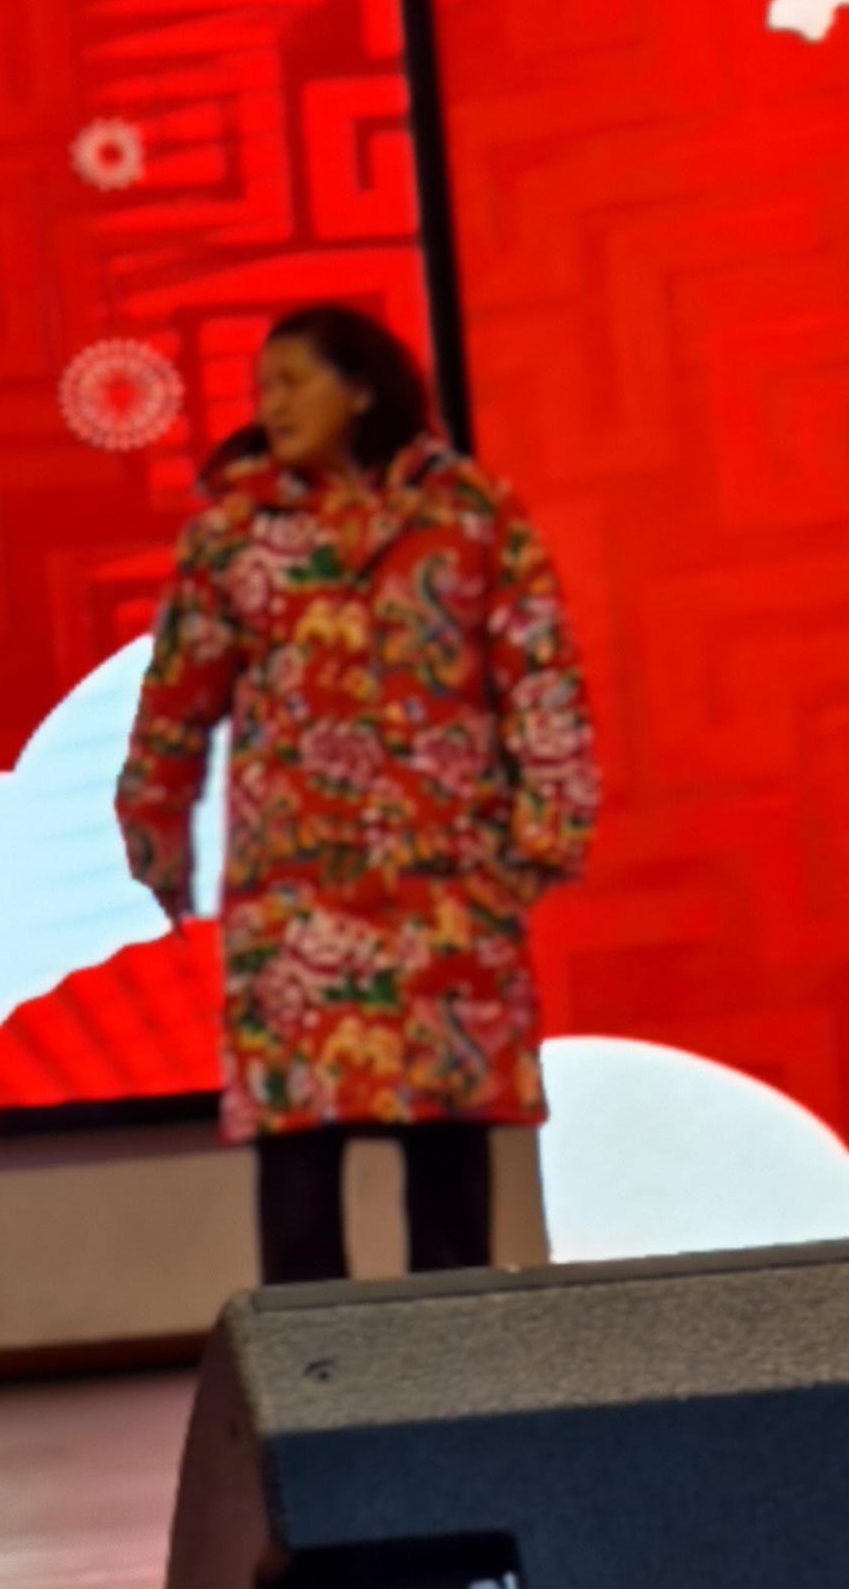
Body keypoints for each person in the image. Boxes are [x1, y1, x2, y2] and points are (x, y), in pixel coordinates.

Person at [115, 304, 594, 1286]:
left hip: (445, 887)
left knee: (449, 1176)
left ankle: (456, 1367)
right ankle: (310, 1376)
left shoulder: (470, 513)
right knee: (298, 1173)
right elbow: (175, 704)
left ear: (363, 388)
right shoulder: (233, 535)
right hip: (298, 898)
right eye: (264, 389)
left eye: (294, 382)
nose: (273, 405)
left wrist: (546, 830)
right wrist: (155, 832)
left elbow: (539, 675)